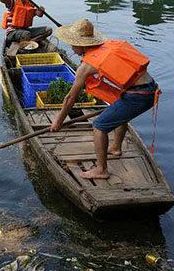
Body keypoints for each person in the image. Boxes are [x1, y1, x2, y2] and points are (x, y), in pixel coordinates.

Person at [49, 19, 159, 180]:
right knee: (117, 105)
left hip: (139, 96)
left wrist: (58, 122)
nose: (71, 48)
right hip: (150, 89)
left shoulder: (86, 66)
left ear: (83, 45)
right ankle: (115, 148)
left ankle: (101, 170)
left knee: (99, 126)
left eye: (73, 44)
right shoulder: (110, 45)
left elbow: (70, 97)